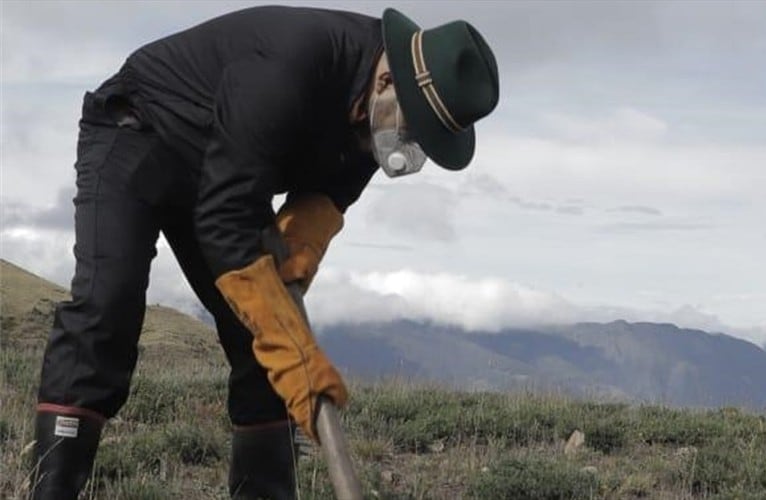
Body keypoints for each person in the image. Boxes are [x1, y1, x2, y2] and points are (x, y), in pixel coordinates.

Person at [30, 5, 499, 499]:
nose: (405, 141)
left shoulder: (372, 124)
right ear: (389, 82)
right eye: (412, 126)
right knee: (109, 306)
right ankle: (52, 488)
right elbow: (224, 216)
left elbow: (323, 199)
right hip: (138, 134)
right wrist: (290, 346)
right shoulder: (291, 64)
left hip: (225, 178)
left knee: (261, 346)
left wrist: (296, 257)